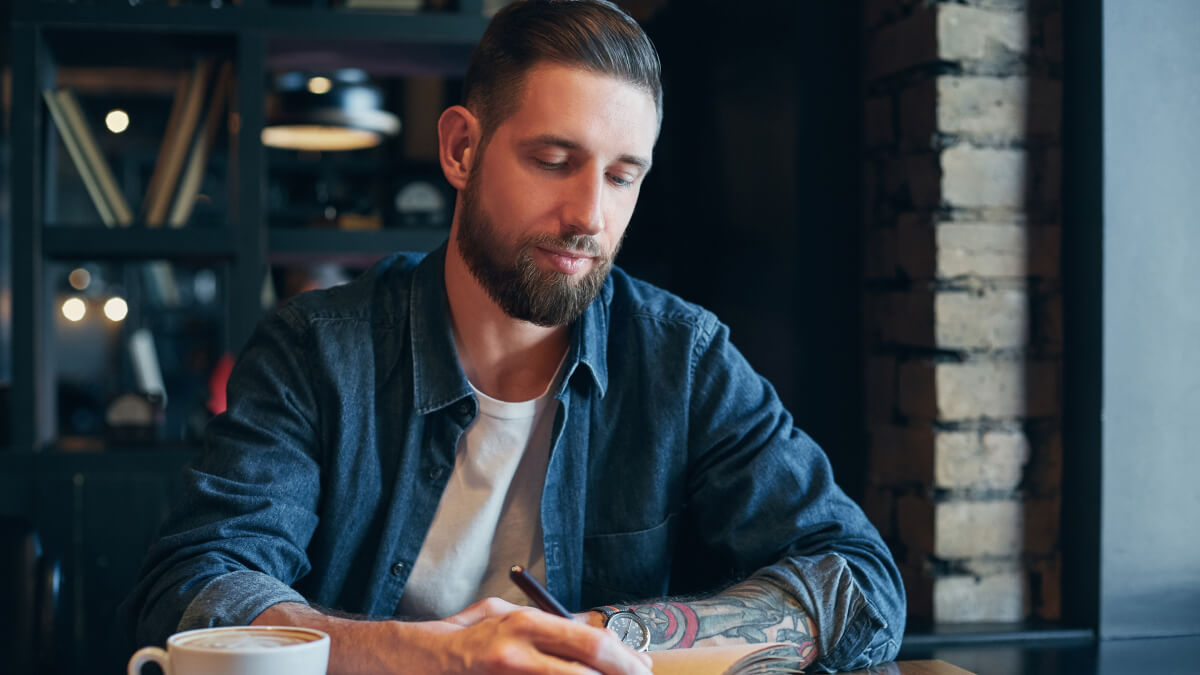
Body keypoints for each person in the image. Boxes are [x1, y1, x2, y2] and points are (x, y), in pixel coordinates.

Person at [121, 1, 905, 672]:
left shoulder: (682, 358)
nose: (589, 216)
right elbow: (196, 584)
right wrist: (431, 656)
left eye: (622, 175)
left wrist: (607, 638)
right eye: (554, 160)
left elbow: (861, 579)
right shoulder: (317, 352)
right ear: (461, 148)